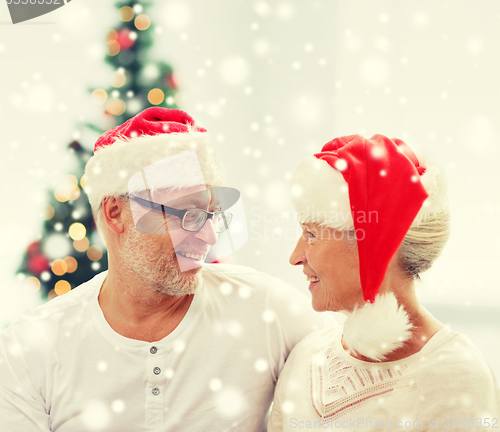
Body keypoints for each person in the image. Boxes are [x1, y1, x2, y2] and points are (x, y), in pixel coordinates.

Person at [0, 107, 325, 432]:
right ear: (116, 214)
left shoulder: (268, 312)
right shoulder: (30, 348)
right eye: (189, 214)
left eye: (211, 214)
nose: (211, 236)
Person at [268, 134, 500, 431]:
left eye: (311, 234)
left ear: (376, 247)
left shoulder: (456, 377)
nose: (295, 256)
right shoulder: (306, 356)